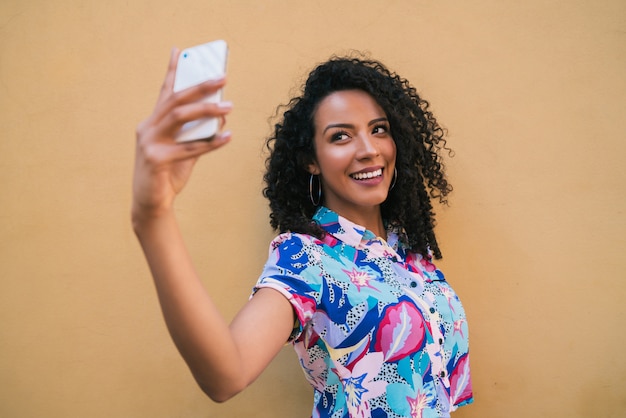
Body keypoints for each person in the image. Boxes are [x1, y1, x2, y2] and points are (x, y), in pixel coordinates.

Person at [132, 48, 473, 418]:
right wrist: (153, 217)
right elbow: (225, 375)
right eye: (341, 137)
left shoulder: (412, 254)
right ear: (312, 160)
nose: (369, 149)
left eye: (379, 130)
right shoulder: (307, 257)